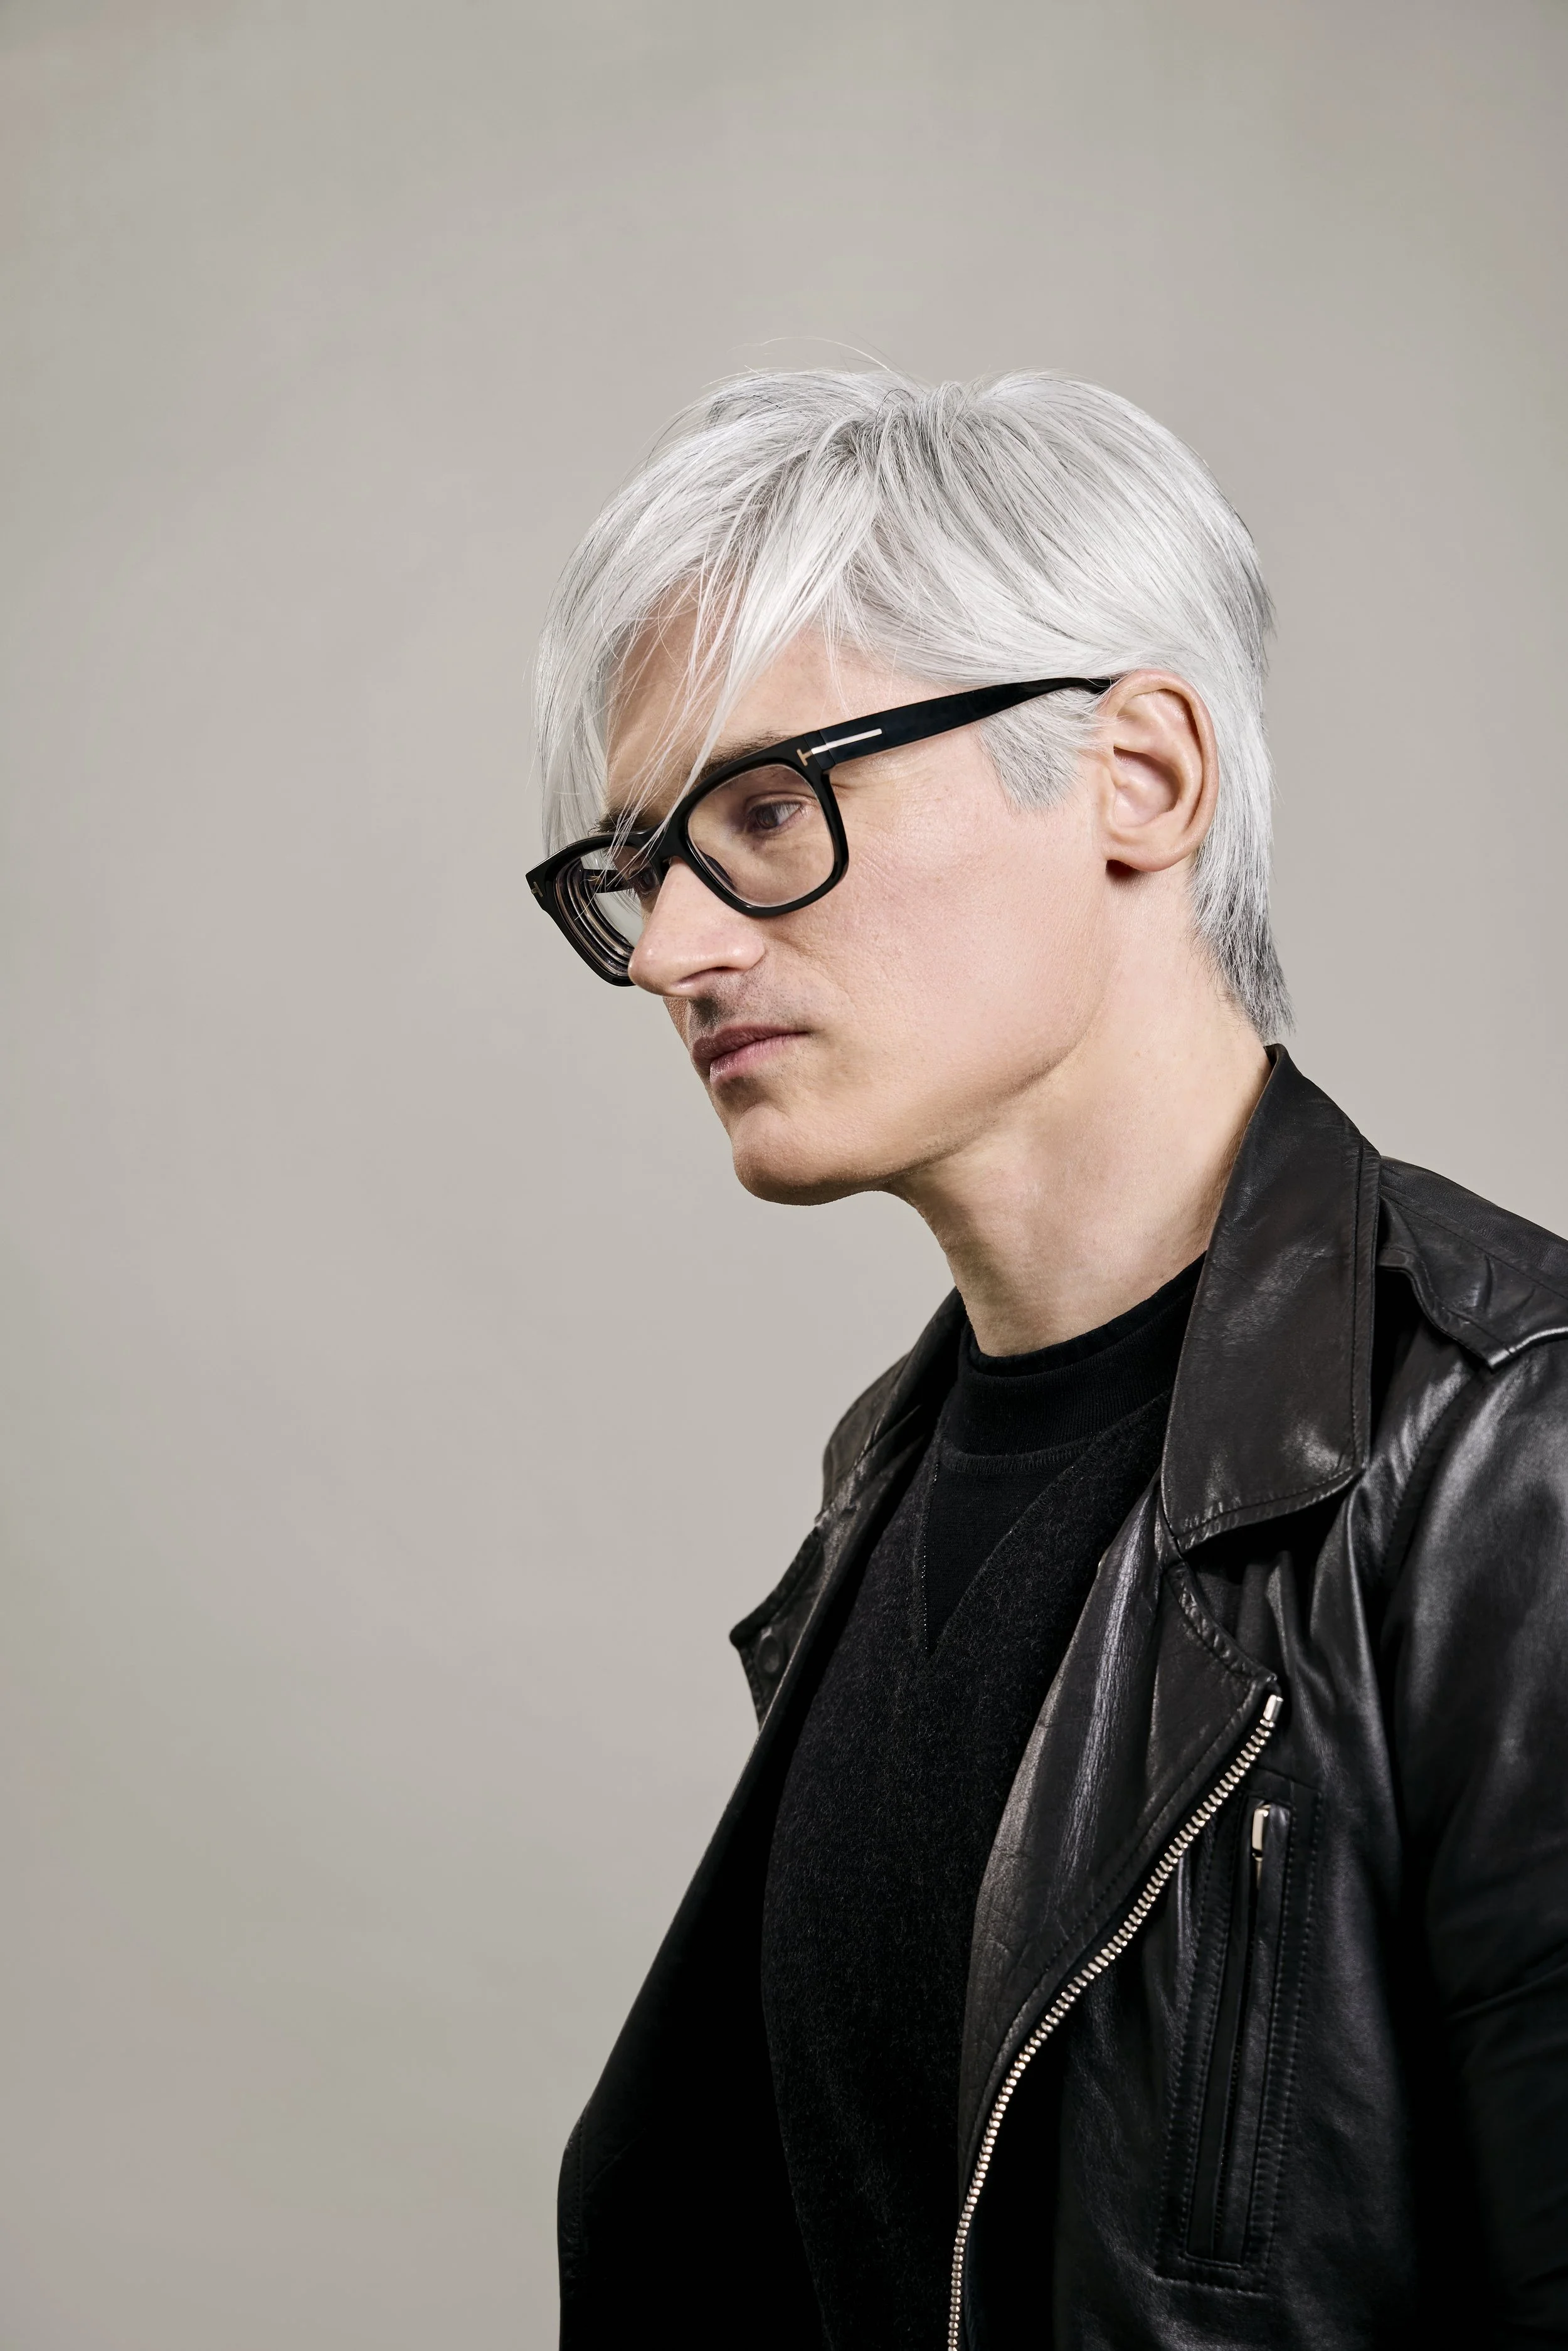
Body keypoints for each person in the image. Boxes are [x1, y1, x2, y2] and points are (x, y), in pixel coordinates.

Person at [529, 370, 1568, 2350]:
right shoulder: (889, 1476)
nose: (667, 948)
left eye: (766, 813)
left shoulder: (1511, 1450)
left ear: (1139, 777)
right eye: (640, 867)